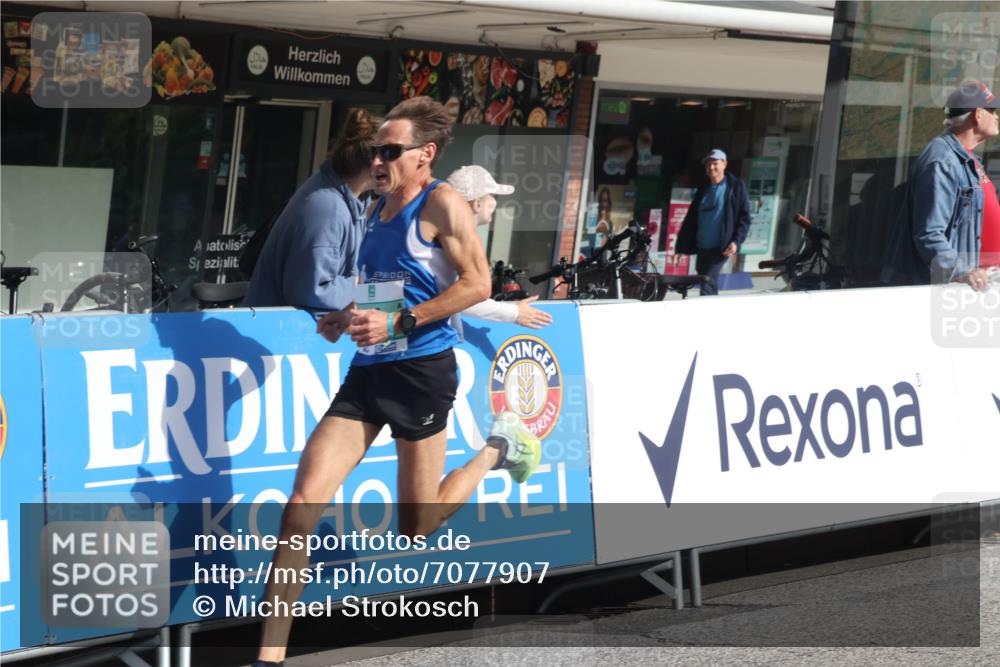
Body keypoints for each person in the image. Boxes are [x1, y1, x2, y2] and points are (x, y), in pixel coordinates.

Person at [253, 97, 542, 667]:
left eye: (390, 151)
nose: (378, 160)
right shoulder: (372, 210)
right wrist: (349, 315)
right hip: (369, 371)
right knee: (301, 505)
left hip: (423, 373)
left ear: (424, 155)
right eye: (374, 151)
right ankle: (269, 656)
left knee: (418, 525)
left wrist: (401, 321)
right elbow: (386, 286)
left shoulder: (443, 204)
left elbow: (477, 285)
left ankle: (499, 447)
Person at [242, 108, 378, 311]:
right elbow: (311, 290)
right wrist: (367, 290)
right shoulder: (328, 208)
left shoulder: (352, 201)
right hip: (279, 334)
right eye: (393, 154)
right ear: (376, 162)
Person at [882, 81, 999, 290]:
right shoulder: (943, 160)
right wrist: (961, 271)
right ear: (978, 114)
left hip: (979, 281)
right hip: (960, 287)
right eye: (993, 110)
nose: (997, 116)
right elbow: (929, 232)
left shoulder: (966, 158)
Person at [446, 164, 553, 330]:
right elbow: (459, 298)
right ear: (477, 204)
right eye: (492, 195)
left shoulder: (452, 234)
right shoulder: (453, 238)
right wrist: (514, 313)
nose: (495, 202)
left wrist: (512, 310)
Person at [675, 149, 752, 295]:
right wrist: (681, 248)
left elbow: (745, 217)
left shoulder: (735, 186)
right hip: (702, 245)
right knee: (706, 281)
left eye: (715, 163)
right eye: (708, 165)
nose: (711, 168)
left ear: (725, 164)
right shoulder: (703, 187)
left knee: (707, 281)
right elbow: (691, 220)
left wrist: (736, 241)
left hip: (721, 246)